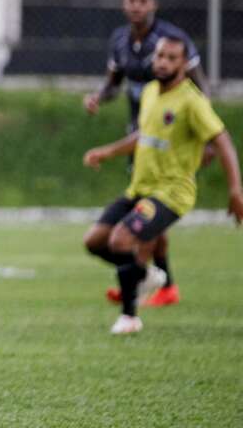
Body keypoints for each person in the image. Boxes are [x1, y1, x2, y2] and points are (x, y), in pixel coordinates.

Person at [82, 37, 242, 334]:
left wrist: (235, 190)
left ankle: (130, 316)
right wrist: (108, 151)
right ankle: (146, 275)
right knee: (94, 241)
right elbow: (144, 134)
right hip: (140, 188)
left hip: (172, 193)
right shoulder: (151, 91)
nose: (163, 62)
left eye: (171, 57)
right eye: (159, 56)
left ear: (183, 64)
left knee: (121, 240)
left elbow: (223, 142)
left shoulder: (192, 101)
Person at [82, 0, 210, 307]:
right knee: (147, 211)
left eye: (143, 0)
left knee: (150, 211)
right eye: (131, 0)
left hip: (171, 138)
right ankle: (151, 277)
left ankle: (150, 279)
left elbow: (200, 88)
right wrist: (99, 96)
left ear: (153, 5)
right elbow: (114, 84)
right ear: (124, 5)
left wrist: (203, 136)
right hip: (141, 136)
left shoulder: (170, 41)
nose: (136, 6)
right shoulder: (120, 41)